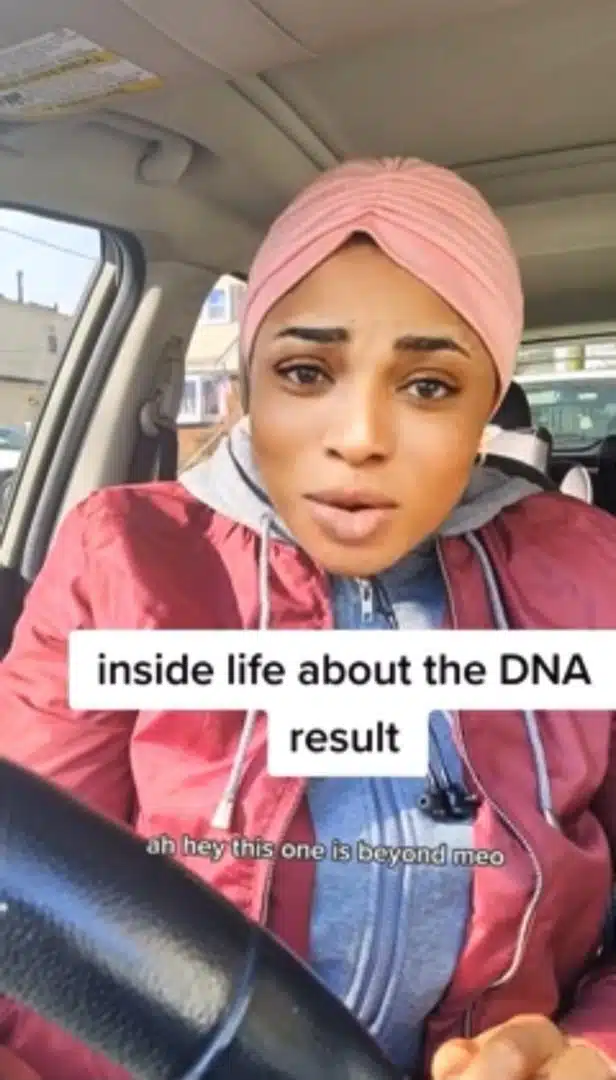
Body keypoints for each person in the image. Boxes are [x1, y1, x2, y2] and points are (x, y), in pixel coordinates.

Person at [0, 157, 615, 1080]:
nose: (359, 436)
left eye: (429, 386)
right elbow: (27, 914)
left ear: (487, 408)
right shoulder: (122, 557)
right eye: (304, 371)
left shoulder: (590, 573)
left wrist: (592, 1053)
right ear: (248, 386)